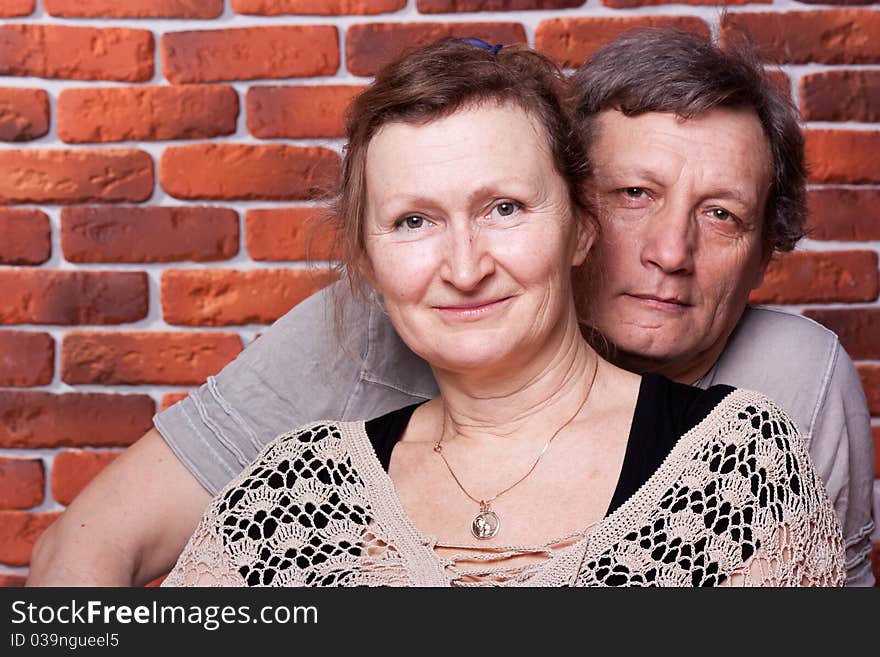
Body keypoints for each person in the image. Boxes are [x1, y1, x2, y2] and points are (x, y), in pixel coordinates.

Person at [26, 29, 870, 587]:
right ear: (590, 210)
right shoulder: (319, 424)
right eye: (635, 193)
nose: (670, 251)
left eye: (721, 213)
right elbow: (89, 549)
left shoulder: (777, 408)